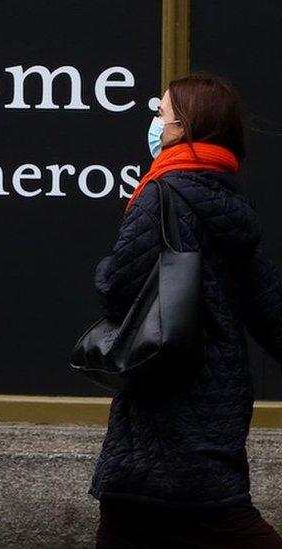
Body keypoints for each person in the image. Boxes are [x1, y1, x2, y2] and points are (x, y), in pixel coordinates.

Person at [89, 73, 282, 548]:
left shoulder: (161, 194)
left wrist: (105, 267)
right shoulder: (228, 200)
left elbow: (118, 290)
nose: (155, 123)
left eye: (161, 113)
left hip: (164, 387)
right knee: (134, 517)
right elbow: (269, 305)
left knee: (218, 520)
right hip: (219, 391)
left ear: (184, 128)